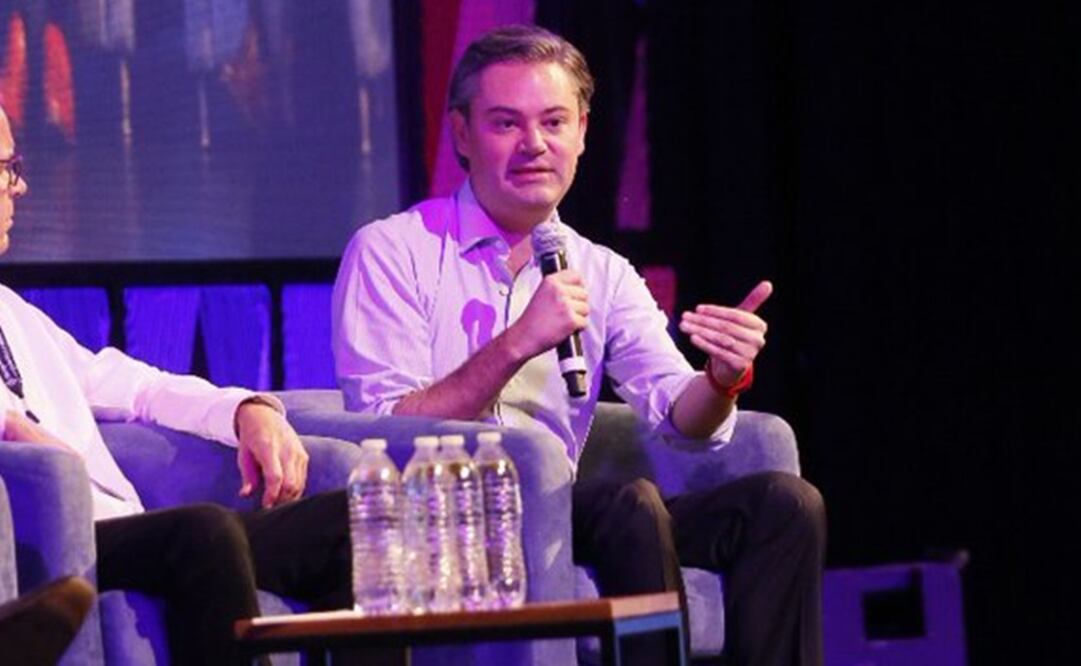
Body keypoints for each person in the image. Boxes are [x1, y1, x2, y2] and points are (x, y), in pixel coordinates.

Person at [333, 24, 826, 665]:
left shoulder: (601, 270)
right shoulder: (392, 251)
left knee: (786, 503)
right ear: (461, 134)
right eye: (506, 124)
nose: (534, 145)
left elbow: (683, 419)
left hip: (565, 518)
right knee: (629, 502)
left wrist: (723, 379)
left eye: (554, 122)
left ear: (583, 132)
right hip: (451, 519)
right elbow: (381, 430)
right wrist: (516, 343)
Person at [0, 104, 351, 665]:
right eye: (5, 167)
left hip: (126, 531)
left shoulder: (13, 312)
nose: (19, 187)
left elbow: (137, 387)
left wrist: (246, 410)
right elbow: (20, 438)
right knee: (203, 534)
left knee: (346, 526)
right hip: (48, 542)